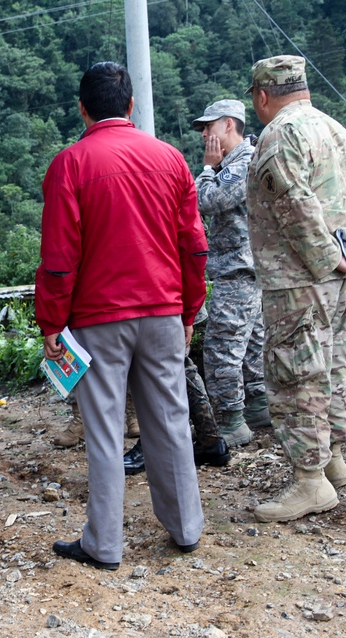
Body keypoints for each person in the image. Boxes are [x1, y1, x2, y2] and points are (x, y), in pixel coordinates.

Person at [37, 61, 209, 570]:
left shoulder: (69, 164)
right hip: (162, 310)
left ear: (82, 109)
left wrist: (51, 323)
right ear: (131, 105)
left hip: (97, 320)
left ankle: (104, 545)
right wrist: (190, 308)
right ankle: (186, 529)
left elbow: (59, 258)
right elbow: (193, 246)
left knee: (107, 431)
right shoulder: (171, 160)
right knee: (171, 421)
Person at [245, 56, 346, 522]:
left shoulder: (280, 134)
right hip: (340, 275)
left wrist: (325, 259)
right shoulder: (337, 130)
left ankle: (309, 481)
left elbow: (294, 207)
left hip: (300, 279)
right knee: (331, 363)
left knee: (295, 374)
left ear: (262, 95)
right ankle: (333, 458)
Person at [192, 99, 268, 447]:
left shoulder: (243, 162)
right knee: (250, 344)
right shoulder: (235, 163)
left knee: (222, 347)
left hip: (239, 269)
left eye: (208, 126)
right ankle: (257, 407)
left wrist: (207, 169)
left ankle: (231, 422)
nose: (205, 134)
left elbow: (208, 201)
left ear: (227, 124)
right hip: (246, 267)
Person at [123, 307, 230, 474]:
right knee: (179, 365)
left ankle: (152, 446)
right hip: (168, 299)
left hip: (159, 301)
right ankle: (210, 439)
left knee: (157, 365)